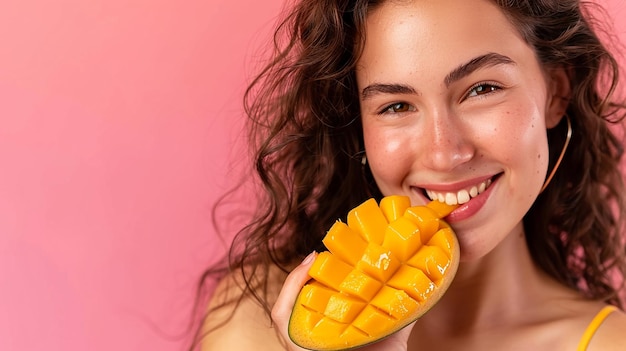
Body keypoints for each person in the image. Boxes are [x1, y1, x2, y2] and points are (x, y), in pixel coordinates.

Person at [194, 0, 626, 350]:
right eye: (396, 106)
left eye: (482, 89)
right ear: (359, 126)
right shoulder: (257, 321)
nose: (444, 154)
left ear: (556, 92)